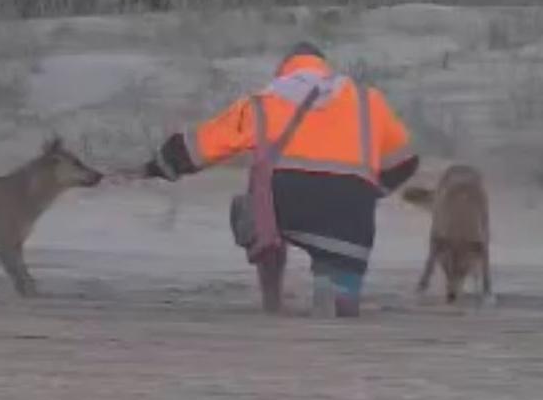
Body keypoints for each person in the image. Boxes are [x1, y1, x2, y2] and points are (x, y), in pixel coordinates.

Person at [142, 42, 419, 317]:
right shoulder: (366, 99)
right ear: (324, 66)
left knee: (257, 197)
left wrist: (157, 166)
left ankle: (273, 301)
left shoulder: (266, 100)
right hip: (350, 212)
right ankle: (337, 298)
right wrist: (370, 193)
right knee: (342, 282)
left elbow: (200, 148)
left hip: (288, 204)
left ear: (284, 70)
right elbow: (406, 161)